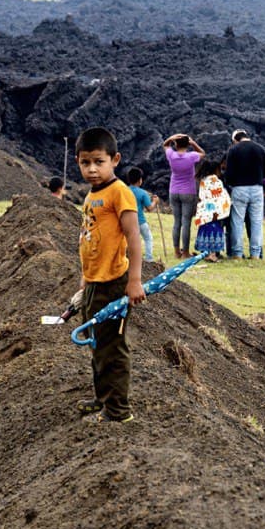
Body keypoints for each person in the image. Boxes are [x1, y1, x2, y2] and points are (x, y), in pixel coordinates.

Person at [74, 127, 145, 423]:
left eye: (99, 162)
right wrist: (85, 280)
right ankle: (103, 397)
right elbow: (88, 239)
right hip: (94, 283)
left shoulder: (119, 192)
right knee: (96, 344)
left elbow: (133, 236)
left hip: (114, 284)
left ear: (115, 159)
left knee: (112, 349)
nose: (92, 169)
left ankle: (117, 410)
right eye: (85, 162)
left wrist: (134, 281)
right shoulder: (92, 195)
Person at [223, 129, 265, 259]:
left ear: (235, 139)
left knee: (237, 221)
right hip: (257, 188)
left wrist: (233, 184)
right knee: (256, 222)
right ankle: (255, 254)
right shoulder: (260, 148)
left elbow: (228, 174)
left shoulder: (233, 150)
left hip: (239, 189)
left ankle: (237, 253)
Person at [162, 133, 205, 257]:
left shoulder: (171, 155)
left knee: (177, 222)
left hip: (174, 191)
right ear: (188, 144)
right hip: (188, 192)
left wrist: (171, 138)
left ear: (175, 144)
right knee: (186, 222)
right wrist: (193, 143)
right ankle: (185, 252)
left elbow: (165, 145)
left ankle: (176, 252)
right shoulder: (191, 156)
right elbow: (203, 153)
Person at [193, 158, 231, 260]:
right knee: (215, 231)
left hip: (205, 211)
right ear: (215, 170)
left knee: (205, 230)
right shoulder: (215, 180)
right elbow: (220, 195)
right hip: (215, 211)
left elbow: (202, 195)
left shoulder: (203, 180)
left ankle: (205, 253)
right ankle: (213, 254)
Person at [124, 166, 155, 262]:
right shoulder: (143, 193)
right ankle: (149, 258)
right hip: (140, 221)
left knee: (127, 240)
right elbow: (150, 208)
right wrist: (155, 201)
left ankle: (126, 256)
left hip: (126, 221)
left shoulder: (124, 190)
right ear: (140, 180)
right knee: (148, 238)